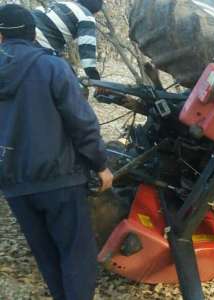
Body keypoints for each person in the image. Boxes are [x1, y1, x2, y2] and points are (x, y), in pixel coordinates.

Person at [0, 4, 113, 300]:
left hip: (14, 186)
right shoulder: (52, 67)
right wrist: (100, 165)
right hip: (59, 180)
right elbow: (82, 122)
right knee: (77, 256)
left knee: (46, 256)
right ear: (32, 31)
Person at [32, 0, 103, 80]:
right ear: (95, 11)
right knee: (71, 82)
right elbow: (87, 51)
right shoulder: (86, 16)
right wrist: (95, 78)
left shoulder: (60, 3)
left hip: (24, 35)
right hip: (40, 44)